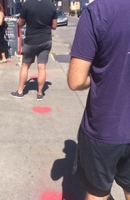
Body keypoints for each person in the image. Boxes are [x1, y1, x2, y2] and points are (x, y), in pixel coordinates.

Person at [67, 0, 130, 200]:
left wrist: (101, 77)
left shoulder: (98, 12)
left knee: (97, 193)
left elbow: (76, 81)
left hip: (105, 127)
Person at [10, 0, 57, 100]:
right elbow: (54, 26)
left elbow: (20, 24)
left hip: (31, 41)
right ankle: (40, 94)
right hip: (45, 41)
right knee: (42, 67)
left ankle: (20, 92)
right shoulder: (51, 6)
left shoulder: (27, 4)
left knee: (25, 67)